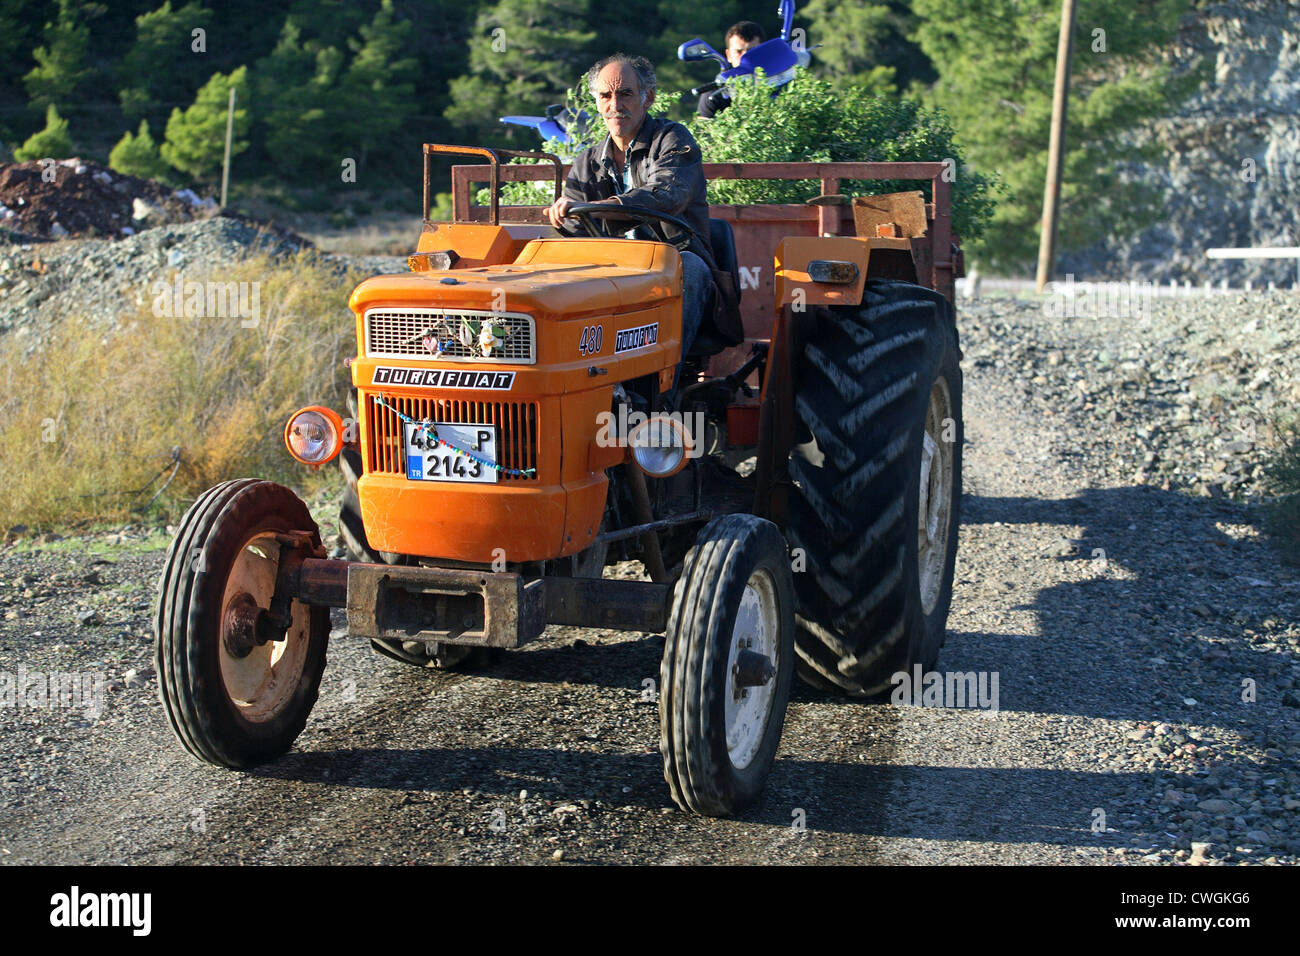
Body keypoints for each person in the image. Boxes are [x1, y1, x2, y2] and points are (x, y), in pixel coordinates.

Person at [546, 53, 715, 360]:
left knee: (687, 269)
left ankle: (664, 390)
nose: (615, 105)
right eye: (606, 96)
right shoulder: (587, 162)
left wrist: (606, 206)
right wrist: (562, 216)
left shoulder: (672, 139)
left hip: (673, 258)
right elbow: (576, 232)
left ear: (647, 97)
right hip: (615, 269)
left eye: (625, 94)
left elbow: (667, 195)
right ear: (597, 102)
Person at [697, 21, 765, 118]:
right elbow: (702, 131)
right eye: (739, 52)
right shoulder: (714, 94)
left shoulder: (780, 81)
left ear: (763, 52)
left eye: (751, 51)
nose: (745, 57)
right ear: (728, 55)